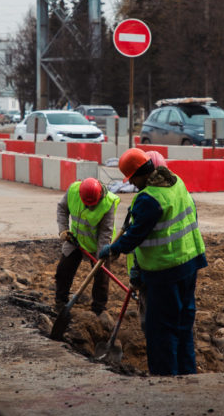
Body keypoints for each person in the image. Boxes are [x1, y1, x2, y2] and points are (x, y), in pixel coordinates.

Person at [98, 148, 207, 376]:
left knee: (161, 332)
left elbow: (136, 236)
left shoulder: (148, 199)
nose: (133, 185)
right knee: (183, 327)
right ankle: (187, 378)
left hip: (164, 273)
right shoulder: (176, 183)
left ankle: (164, 382)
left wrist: (113, 249)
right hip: (190, 264)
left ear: (138, 175)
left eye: (132, 180)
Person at [55, 177, 120, 315]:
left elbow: (105, 232)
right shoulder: (73, 191)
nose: (89, 207)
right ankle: (60, 303)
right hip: (75, 240)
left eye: (92, 205)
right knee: (63, 271)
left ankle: (98, 309)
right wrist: (63, 229)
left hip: (99, 244)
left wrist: (101, 256)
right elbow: (62, 208)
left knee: (101, 276)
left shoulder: (108, 202)